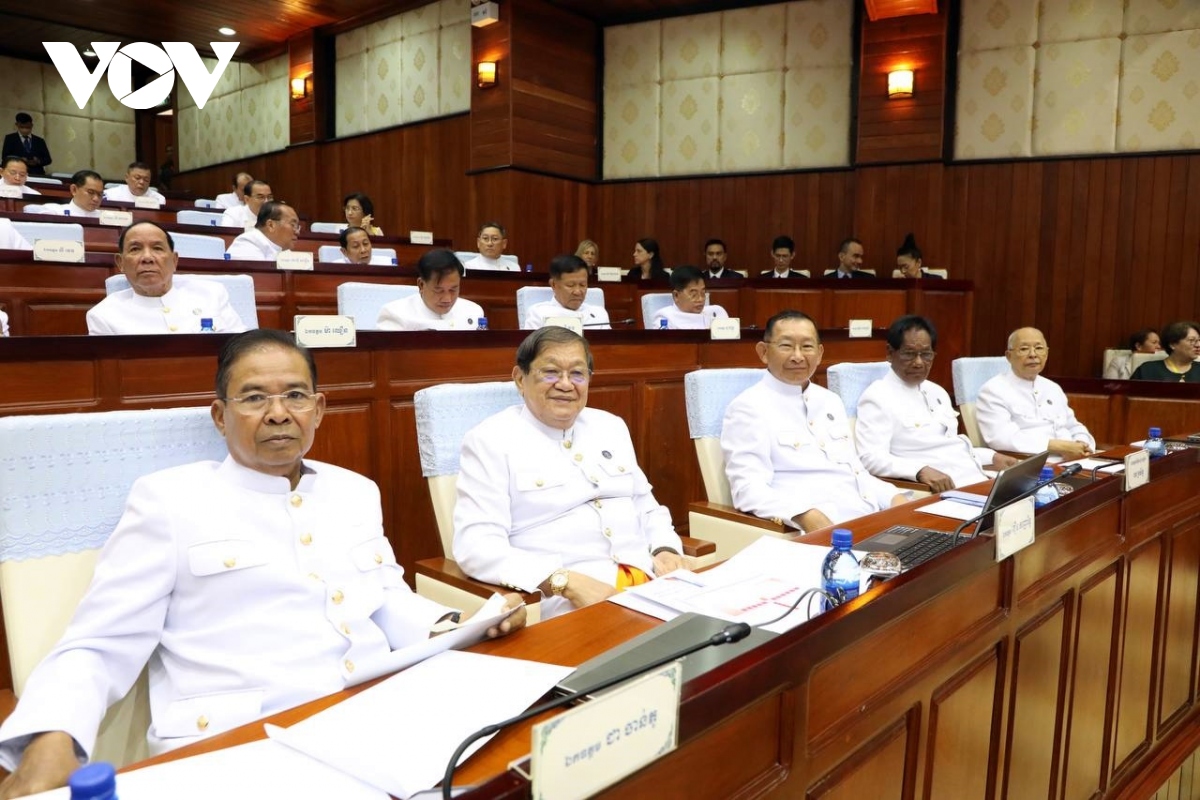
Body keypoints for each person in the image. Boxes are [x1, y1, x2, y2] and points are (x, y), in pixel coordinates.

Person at [0, 329, 525, 796]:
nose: (278, 413)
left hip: (373, 718)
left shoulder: (355, 490)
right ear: (220, 416)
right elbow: (100, 642)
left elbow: (385, 595)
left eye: (295, 395)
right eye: (254, 398)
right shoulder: (169, 502)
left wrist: (461, 623)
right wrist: (50, 740)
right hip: (238, 748)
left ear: (318, 408)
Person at [453, 326, 685, 619]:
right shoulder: (490, 440)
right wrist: (562, 581)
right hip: (569, 603)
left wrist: (665, 548)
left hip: (649, 585)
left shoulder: (610, 426)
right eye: (550, 372)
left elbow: (645, 506)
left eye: (577, 374)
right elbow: (476, 546)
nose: (565, 384)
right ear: (520, 379)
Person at [721, 310, 911, 532]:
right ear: (763, 352)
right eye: (786, 346)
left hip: (868, 519)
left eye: (807, 346)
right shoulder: (748, 407)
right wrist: (804, 515)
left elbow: (856, 472)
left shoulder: (830, 400)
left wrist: (894, 498)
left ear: (820, 353)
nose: (798, 356)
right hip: (819, 531)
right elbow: (748, 490)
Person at [855, 316, 1018, 492]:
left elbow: (949, 447)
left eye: (926, 355)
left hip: (977, 478)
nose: (918, 362)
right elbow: (870, 457)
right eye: (909, 354)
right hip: (943, 491)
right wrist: (919, 471)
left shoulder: (937, 392)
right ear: (890, 353)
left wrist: (992, 457)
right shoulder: (878, 397)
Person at [86, 222, 247, 335]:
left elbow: (243, 347)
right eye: (135, 249)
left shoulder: (211, 294)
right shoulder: (104, 315)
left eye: (157, 248)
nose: (147, 258)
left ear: (174, 261)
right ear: (120, 263)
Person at [976, 327, 1096, 457]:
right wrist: (1058, 447)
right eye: (1024, 349)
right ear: (1009, 356)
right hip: (1032, 462)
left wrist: (1082, 443)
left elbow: (1073, 426)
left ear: (1047, 354)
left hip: (1073, 458)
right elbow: (1001, 438)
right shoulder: (993, 390)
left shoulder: (1053, 388)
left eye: (1039, 348)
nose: (1033, 354)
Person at [376, 248, 485, 330]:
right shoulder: (395, 314)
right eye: (439, 290)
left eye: (453, 290)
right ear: (421, 285)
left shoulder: (473, 312)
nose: (447, 299)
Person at [522, 254, 610, 330]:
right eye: (570, 285)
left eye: (582, 285)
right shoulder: (539, 313)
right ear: (554, 284)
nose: (578, 292)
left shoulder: (599, 313)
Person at [650, 265, 728, 330]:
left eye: (703, 293)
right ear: (676, 296)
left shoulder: (717, 312)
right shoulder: (665, 319)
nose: (700, 299)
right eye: (694, 294)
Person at [226, 201, 300, 261]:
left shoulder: (285, 251)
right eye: (293, 225)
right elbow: (257, 274)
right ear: (271, 225)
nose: (297, 232)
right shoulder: (247, 242)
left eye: (297, 226)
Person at [1131, 321, 1200, 383]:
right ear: (1172, 344)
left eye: (1199, 340)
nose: (1198, 345)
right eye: (1191, 340)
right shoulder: (1147, 370)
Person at [33, 170, 103, 218]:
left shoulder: (106, 218)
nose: (96, 199)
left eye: (100, 194)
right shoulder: (55, 212)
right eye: (90, 192)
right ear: (74, 190)